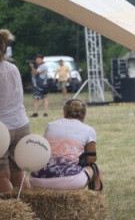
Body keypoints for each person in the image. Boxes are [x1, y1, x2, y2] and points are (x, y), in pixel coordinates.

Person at [30, 99, 103, 192]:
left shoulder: (50, 125)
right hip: (70, 180)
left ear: (64, 112)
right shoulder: (88, 130)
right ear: (84, 114)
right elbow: (91, 159)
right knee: (95, 168)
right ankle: (96, 200)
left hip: (37, 179)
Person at [0, 29, 31, 192]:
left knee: (2, 176)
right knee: (18, 174)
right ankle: (30, 206)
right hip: (21, 125)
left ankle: (10, 209)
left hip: (2, 128)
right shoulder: (13, 68)